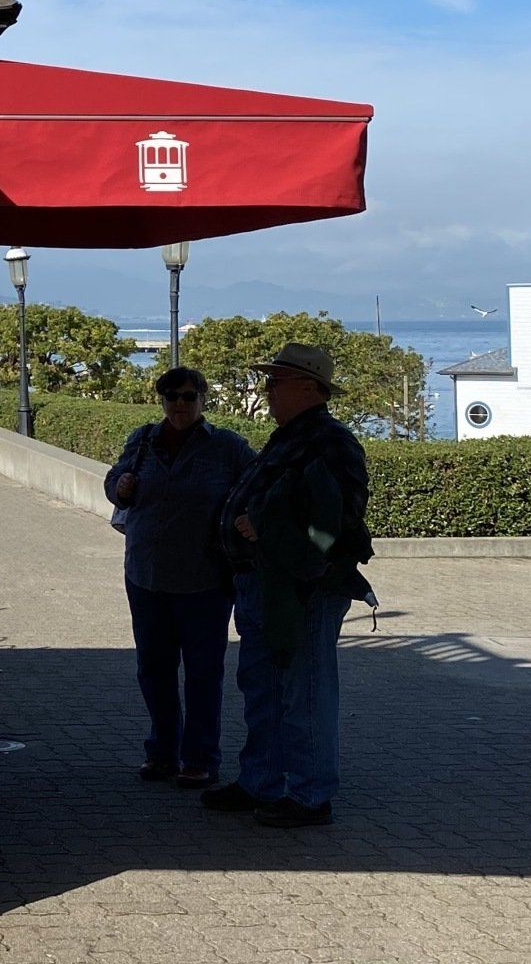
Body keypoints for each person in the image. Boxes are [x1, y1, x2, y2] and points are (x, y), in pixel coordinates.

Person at [202, 343, 373, 828]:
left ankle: (311, 796)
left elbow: (337, 521)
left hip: (304, 590)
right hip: (265, 584)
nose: (268, 390)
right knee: (264, 688)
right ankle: (261, 782)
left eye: (275, 381)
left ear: (307, 388)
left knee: (306, 691)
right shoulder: (290, 437)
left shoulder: (330, 441)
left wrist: (273, 527)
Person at [105, 367, 255, 789]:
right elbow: (113, 481)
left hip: (204, 582)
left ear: (204, 399)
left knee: (204, 673)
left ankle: (200, 758)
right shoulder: (143, 439)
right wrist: (122, 487)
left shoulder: (227, 447)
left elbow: (260, 486)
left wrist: (252, 520)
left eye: (189, 396)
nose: (180, 404)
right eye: (171, 396)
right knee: (153, 669)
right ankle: (162, 752)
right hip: (145, 575)